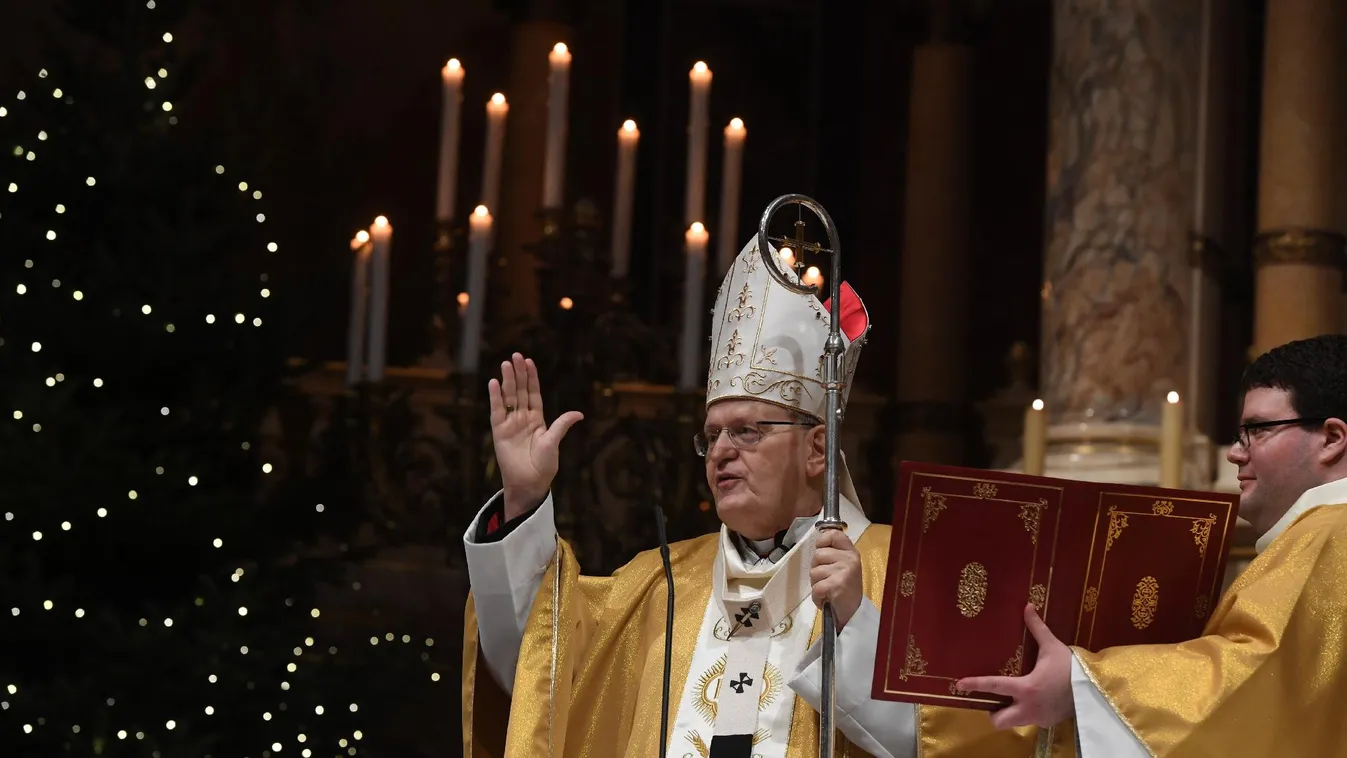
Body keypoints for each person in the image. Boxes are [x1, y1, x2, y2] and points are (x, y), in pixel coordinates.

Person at [460, 238, 1045, 757]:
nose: (720, 452)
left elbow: (974, 740)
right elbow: (537, 666)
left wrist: (856, 624)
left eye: (747, 431)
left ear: (818, 448)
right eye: (712, 435)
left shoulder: (909, 574)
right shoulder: (657, 585)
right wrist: (524, 500)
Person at [958, 334, 1347, 756]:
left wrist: (1080, 682)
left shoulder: (1330, 536)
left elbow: (1254, 676)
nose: (1236, 453)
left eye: (1257, 430)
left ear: (1331, 438)